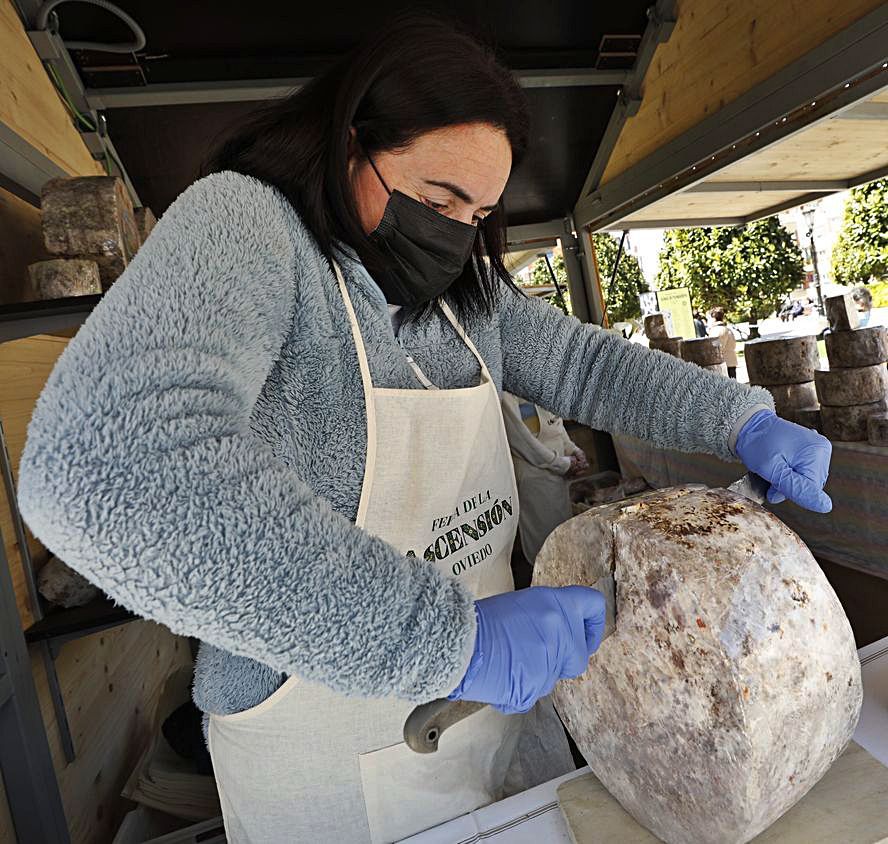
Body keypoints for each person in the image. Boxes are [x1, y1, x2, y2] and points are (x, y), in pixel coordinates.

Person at [16, 16, 833, 844]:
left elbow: (590, 367)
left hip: (487, 719)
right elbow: (104, 468)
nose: (455, 231)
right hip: (322, 750)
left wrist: (740, 421)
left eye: (477, 213)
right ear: (349, 145)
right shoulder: (252, 228)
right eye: (438, 199)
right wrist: (446, 640)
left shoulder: (463, 299)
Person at [501, 392, 588, 567]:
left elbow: (556, 425)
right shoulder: (505, 394)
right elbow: (523, 443)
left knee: (563, 540)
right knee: (543, 548)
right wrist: (561, 463)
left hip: (559, 475)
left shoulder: (540, 382)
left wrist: (573, 450)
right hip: (535, 479)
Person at [709, 306, 739, 378]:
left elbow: (717, 348)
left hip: (725, 363)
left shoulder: (717, 330)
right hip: (730, 361)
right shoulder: (726, 329)